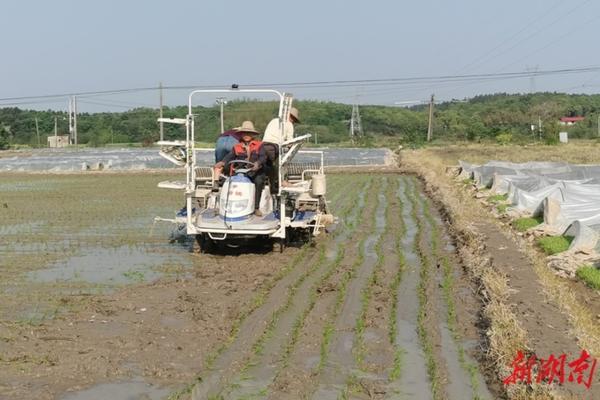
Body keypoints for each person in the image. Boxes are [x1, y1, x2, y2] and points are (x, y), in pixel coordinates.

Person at [214, 121, 267, 216]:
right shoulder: (237, 146)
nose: (246, 135)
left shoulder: (259, 145)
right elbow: (229, 156)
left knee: (259, 181)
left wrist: (257, 163)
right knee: (229, 181)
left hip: (255, 171)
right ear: (241, 134)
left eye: (249, 133)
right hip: (240, 172)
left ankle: (256, 208)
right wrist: (222, 162)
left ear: (252, 135)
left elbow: (263, 157)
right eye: (244, 133)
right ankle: (224, 207)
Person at [261, 107, 300, 194]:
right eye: (293, 119)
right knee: (278, 166)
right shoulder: (289, 124)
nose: (293, 121)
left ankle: (271, 185)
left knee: (269, 166)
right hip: (274, 146)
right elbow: (290, 141)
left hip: (263, 145)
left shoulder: (274, 120)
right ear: (291, 117)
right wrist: (291, 148)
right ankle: (280, 183)